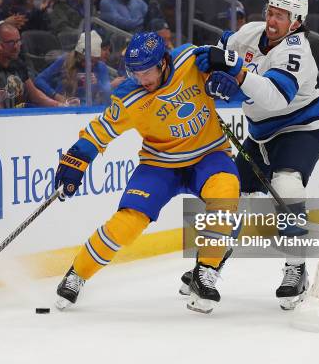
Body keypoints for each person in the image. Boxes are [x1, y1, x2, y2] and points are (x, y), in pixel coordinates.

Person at [54, 31, 240, 314]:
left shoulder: (191, 58)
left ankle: (205, 273)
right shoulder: (129, 96)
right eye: (135, 72)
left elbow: (235, 68)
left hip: (208, 155)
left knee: (225, 194)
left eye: (147, 71)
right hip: (159, 165)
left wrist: (230, 76)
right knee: (126, 223)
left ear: (164, 61)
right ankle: (76, 274)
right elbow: (98, 132)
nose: (142, 79)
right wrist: (76, 160)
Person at [190, 0, 319, 310]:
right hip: (260, 134)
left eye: (280, 16)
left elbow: (274, 97)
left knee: (286, 184)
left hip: (301, 127)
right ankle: (210, 266)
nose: (271, 20)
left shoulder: (298, 52)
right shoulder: (250, 34)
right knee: (227, 191)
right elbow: (218, 52)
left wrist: (237, 74)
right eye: (270, 12)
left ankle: (296, 269)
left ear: (295, 23)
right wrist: (211, 71)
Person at [0, 22, 64, 108]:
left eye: (18, 41)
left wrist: (59, 105)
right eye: (11, 43)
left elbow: (34, 95)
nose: (16, 47)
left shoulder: (18, 63)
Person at [34, 30, 111, 105]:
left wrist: (97, 85)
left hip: (89, 110)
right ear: (77, 56)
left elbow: (108, 96)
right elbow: (39, 80)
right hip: (64, 107)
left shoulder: (101, 67)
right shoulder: (65, 60)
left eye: (93, 61)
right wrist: (56, 96)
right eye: (84, 60)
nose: (88, 65)